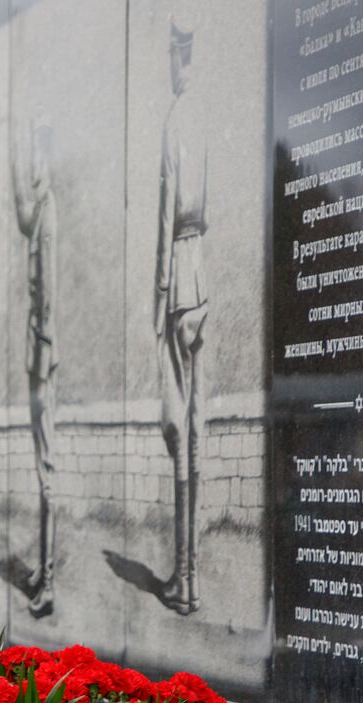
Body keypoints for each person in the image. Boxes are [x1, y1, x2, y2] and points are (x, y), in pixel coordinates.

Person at [153, 16, 208, 616]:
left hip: (179, 281)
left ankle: (183, 582)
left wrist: (159, 289)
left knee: (178, 431)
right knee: (197, 430)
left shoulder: (175, 118)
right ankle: (188, 578)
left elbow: (167, 208)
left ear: (178, 56)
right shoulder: (205, 115)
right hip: (206, 274)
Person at [13, 118, 59, 618]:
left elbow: (49, 299)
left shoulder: (49, 212)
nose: (29, 171)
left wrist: (43, 360)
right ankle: (42, 567)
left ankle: (48, 579)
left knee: (48, 468)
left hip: (45, 356)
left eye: (34, 161)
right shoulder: (39, 209)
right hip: (37, 350)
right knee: (40, 463)